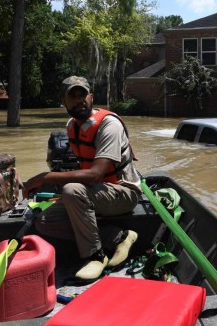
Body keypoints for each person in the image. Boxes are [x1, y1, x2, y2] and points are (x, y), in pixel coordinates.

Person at [24, 76, 140, 281]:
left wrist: (45, 177)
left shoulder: (109, 125)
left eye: (83, 95)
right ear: (64, 101)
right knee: (44, 221)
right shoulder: (73, 125)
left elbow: (95, 175)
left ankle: (95, 255)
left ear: (91, 97)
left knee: (71, 190)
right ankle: (119, 237)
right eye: (73, 96)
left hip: (123, 193)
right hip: (99, 192)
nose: (79, 100)